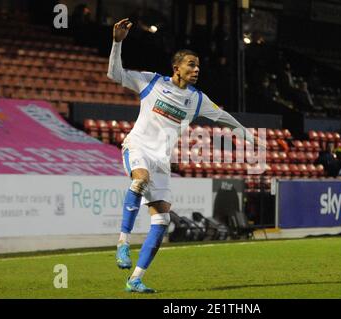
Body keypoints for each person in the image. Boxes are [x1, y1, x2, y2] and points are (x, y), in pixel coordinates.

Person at [107, 18, 255, 293]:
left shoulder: (197, 99)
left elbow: (224, 118)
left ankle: (135, 279)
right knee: (139, 180)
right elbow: (115, 74)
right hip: (138, 146)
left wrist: (248, 136)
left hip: (162, 160)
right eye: (191, 65)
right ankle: (122, 244)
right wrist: (117, 42)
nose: (197, 69)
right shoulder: (151, 82)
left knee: (162, 220)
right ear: (176, 68)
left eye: (198, 66)